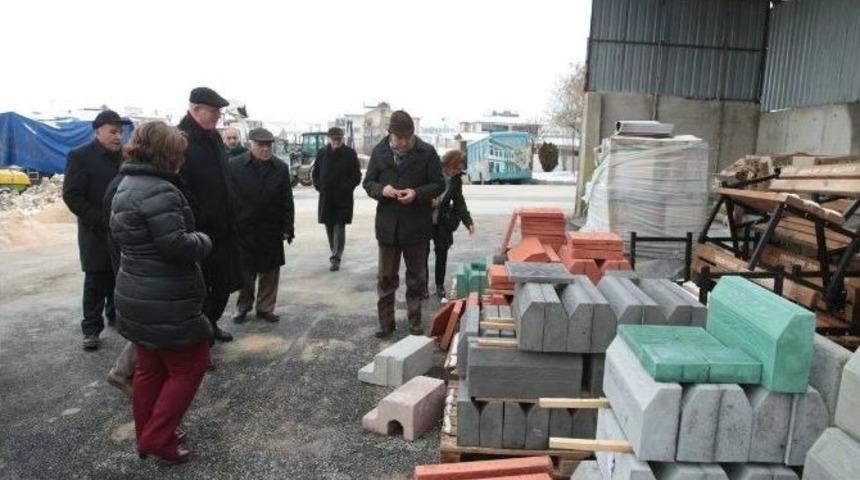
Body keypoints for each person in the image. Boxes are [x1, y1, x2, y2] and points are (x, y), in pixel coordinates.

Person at [110, 121, 212, 464]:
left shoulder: (126, 185)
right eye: (179, 154)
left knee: (149, 368)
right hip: (166, 297)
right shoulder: (161, 190)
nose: (182, 160)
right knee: (191, 364)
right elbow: (175, 245)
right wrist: (204, 240)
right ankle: (156, 437)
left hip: (135, 292)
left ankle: (148, 436)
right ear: (168, 155)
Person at [363, 110, 445, 337]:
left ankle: (415, 323)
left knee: (416, 278)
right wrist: (383, 190)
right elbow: (368, 183)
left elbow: (439, 184)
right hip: (388, 228)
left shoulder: (427, 152)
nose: (404, 142)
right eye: (399, 138)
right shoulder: (379, 152)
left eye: (408, 137)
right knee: (386, 278)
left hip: (416, 227)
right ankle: (385, 324)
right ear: (391, 135)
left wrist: (416, 194)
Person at [178, 87, 243, 343]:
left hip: (224, 226)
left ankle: (211, 325)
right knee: (200, 288)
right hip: (199, 229)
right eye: (214, 111)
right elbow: (180, 186)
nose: (218, 116)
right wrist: (198, 217)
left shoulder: (214, 138)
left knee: (224, 282)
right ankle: (199, 341)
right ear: (196, 109)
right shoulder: (180, 139)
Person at [63, 109, 130, 351]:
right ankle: (91, 329)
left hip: (121, 230)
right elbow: (72, 195)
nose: (118, 137)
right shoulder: (80, 156)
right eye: (113, 131)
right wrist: (100, 221)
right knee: (96, 279)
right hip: (96, 231)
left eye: (120, 132)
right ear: (98, 131)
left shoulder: (124, 157)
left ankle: (116, 317)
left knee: (118, 275)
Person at [227, 128, 295, 324]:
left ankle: (265, 308)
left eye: (268, 145)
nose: (265, 149)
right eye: (260, 145)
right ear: (251, 145)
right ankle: (243, 306)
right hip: (244, 227)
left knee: (270, 271)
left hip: (271, 228)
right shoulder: (235, 166)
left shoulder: (280, 168)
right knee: (246, 272)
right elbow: (228, 198)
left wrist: (288, 227)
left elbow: (287, 201)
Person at [426, 150, 475, 299]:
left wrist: (468, 221)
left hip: (442, 221)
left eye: (460, 169)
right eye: (456, 168)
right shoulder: (433, 171)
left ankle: (439, 285)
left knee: (442, 253)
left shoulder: (456, 180)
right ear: (448, 164)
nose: (457, 172)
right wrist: (428, 201)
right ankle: (422, 287)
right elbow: (420, 190)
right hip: (425, 219)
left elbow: (459, 201)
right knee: (422, 254)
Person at [312, 126, 362, 271]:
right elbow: (315, 173)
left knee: (339, 226)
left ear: (343, 139)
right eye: (334, 139)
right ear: (330, 139)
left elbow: (357, 176)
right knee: (329, 225)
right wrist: (319, 186)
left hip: (343, 198)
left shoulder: (350, 154)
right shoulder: (322, 153)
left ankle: (336, 257)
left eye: (339, 139)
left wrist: (347, 188)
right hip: (326, 197)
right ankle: (334, 250)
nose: (336, 142)